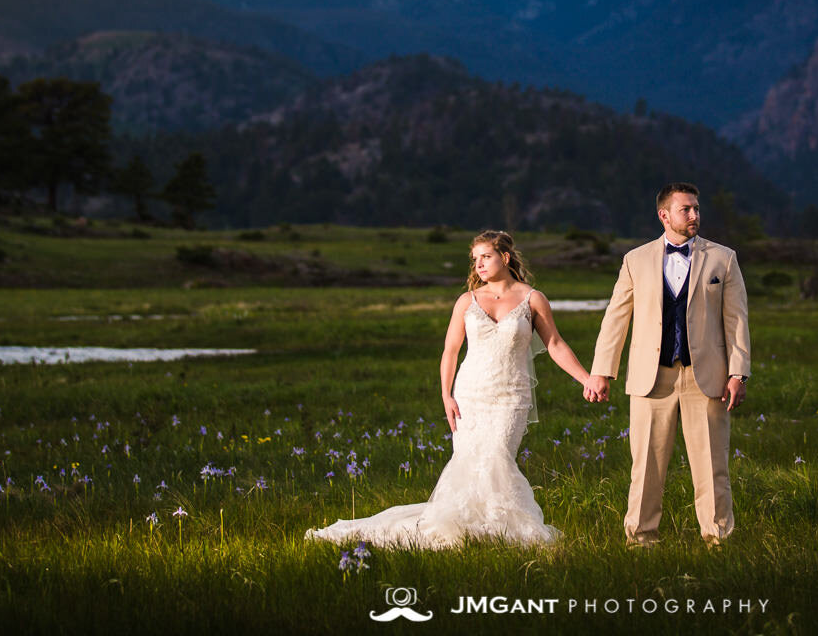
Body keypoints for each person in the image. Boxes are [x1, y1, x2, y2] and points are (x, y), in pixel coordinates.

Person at [305, 230, 591, 549]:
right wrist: (446, 395)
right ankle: (468, 526)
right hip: (470, 393)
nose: (479, 264)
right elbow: (450, 350)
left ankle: (499, 524)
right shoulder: (467, 301)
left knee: (497, 456)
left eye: (486, 256)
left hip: (511, 395)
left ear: (505, 257)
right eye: (475, 259)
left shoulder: (532, 298)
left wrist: (587, 379)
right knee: (469, 461)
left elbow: (555, 343)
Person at [584, 182, 751, 546]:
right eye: (685, 209)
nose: (694, 215)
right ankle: (641, 540)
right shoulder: (636, 260)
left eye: (696, 208)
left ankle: (717, 539)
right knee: (645, 467)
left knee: (712, 466)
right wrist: (601, 371)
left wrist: (738, 372)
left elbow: (736, 319)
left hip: (706, 378)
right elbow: (616, 318)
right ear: (664, 215)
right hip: (650, 377)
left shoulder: (723, 259)